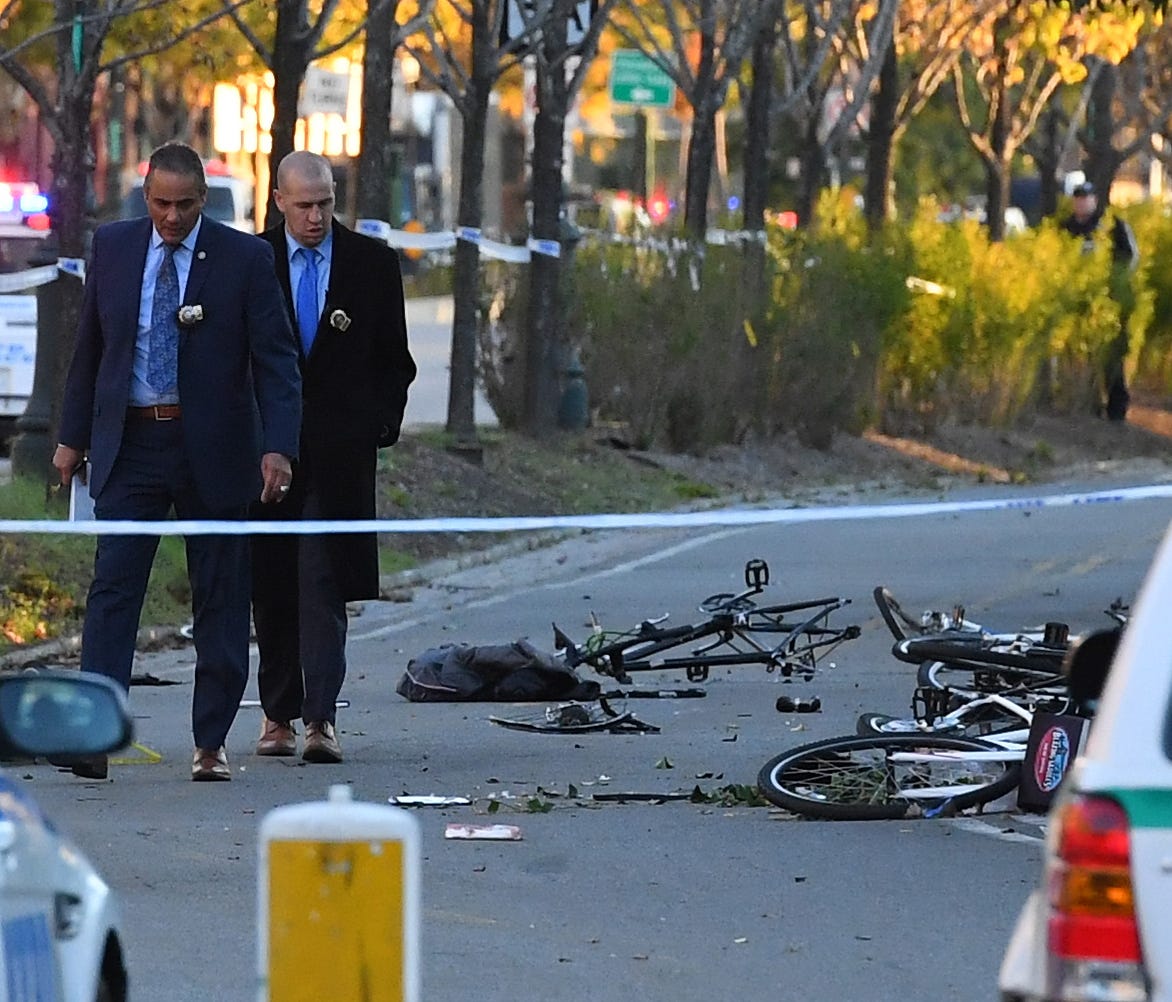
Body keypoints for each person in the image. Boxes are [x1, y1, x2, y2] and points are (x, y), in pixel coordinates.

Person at [52, 141, 302, 782]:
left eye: (185, 205)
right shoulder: (112, 247)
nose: (171, 217)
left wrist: (279, 446)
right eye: (161, 204)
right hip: (131, 445)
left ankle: (210, 740)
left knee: (220, 591)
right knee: (113, 588)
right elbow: (91, 350)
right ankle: (95, 733)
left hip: (212, 448)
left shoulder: (245, 258)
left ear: (202, 200)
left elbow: (275, 360)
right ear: (146, 197)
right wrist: (71, 436)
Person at [250, 150, 416, 764]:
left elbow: (394, 360)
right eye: (304, 206)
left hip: (340, 451)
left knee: (323, 579)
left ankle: (321, 716)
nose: (317, 216)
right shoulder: (254, 262)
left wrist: (377, 423)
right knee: (271, 583)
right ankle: (277, 715)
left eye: (325, 203)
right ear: (279, 202)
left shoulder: (371, 264)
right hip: (269, 448)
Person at [1061, 180, 1139, 421]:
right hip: (1078, 302)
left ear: (1095, 200)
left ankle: (1116, 409)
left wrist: (1115, 284)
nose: (1082, 202)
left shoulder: (1112, 226)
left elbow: (1131, 258)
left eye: (1086, 197)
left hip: (1110, 301)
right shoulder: (1066, 228)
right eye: (1078, 198)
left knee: (1112, 356)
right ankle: (1086, 405)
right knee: (1078, 357)